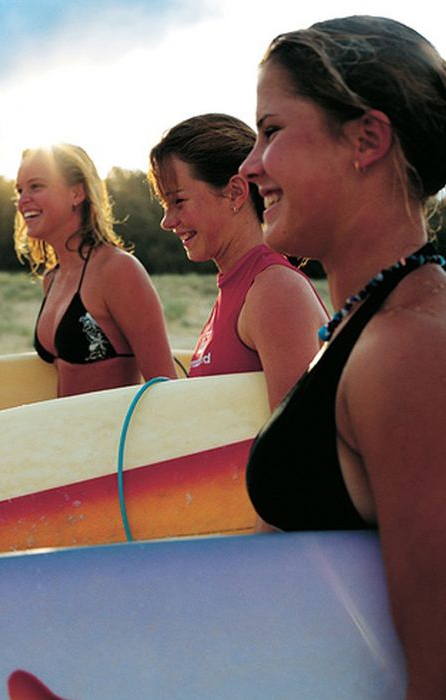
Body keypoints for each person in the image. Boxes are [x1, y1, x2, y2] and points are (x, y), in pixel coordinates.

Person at [239, 15, 446, 698]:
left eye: (271, 131)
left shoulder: (408, 344)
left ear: (365, 139)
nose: (248, 165)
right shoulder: (369, 323)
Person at [148, 114, 328, 411]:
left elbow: (299, 445)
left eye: (178, 201)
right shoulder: (238, 286)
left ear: (235, 192)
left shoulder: (275, 291)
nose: (167, 222)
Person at [14, 143, 177, 397]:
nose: (23, 200)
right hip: (62, 433)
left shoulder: (117, 271)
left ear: (77, 193)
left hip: (114, 434)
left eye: (36, 186)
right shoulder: (52, 278)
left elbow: (165, 383)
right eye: (19, 190)